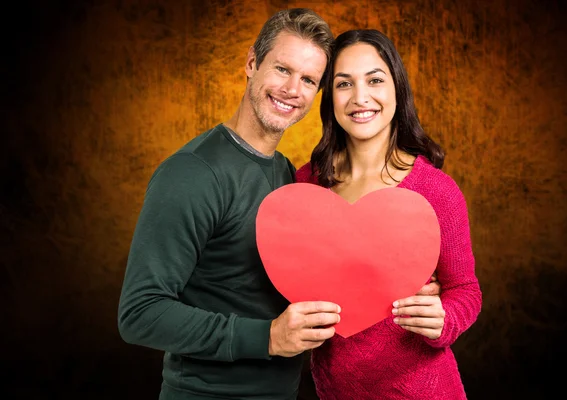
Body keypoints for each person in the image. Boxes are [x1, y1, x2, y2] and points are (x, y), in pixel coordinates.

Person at [117, 9, 344, 400]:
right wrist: (268, 337)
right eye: (282, 69)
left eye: (308, 80)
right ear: (252, 62)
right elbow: (139, 313)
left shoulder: (289, 174)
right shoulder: (192, 173)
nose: (293, 89)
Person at [296, 29, 482, 399]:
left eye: (375, 80)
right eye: (343, 83)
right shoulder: (306, 186)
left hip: (425, 391)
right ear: (329, 97)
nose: (360, 97)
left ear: (397, 88)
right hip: (333, 390)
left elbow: (466, 290)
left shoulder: (436, 191)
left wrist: (446, 318)